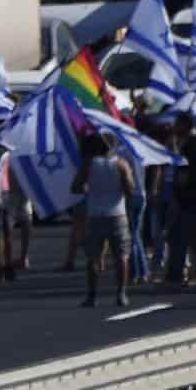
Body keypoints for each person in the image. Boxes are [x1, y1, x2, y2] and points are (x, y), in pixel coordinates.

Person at [73, 131, 138, 308]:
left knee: (93, 257)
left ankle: (92, 296)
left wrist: (90, 189)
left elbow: (76, 187)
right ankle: (121, 294)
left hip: (95, 215)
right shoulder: (121, 164)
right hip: (117, 214)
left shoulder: (89, 164)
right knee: (122, 256)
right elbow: (130, 189)